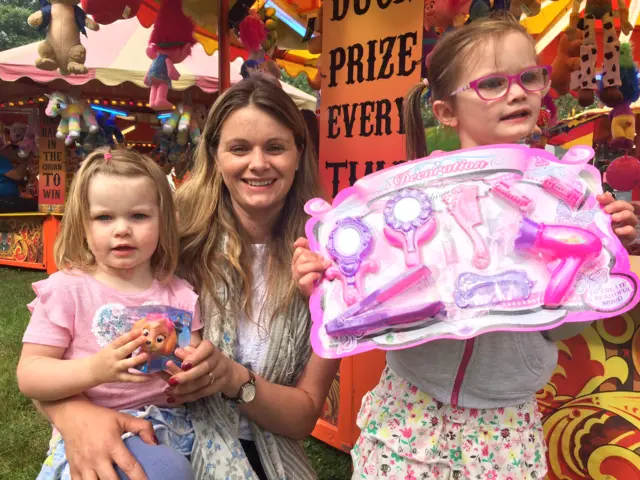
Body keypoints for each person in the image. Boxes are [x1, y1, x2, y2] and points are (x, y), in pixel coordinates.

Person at [292, 13, 639, 480]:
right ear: (445, 112)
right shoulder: (409, 196)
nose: (517, 93)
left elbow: (559, 327)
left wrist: (603, 254)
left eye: (528, 77)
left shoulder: (565, 192)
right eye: (492, 83)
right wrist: (324, 275)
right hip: (409, 412)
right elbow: (367, 287)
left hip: (505, 422)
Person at [31, 77, 341, 480]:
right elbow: (68, 344)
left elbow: (303, 417)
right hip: (160, 441)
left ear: (299, 153)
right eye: (239, 148)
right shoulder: (165, 240)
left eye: (276, 147)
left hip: (271, 455)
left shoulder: (328, 255)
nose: (258, 163)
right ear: (214, 155)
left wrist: (234, 378)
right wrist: (76, 416)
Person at [17, 148, 201, 480]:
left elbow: (193, 367)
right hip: (88, 426)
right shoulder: (66, 291)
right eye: (104, 217)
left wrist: (188, 371)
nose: (122, 230)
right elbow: (30, 375)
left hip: (168, 427)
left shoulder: (181, 295)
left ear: (164, 221)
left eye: (139, 216)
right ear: (82, 225)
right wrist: (95, 369)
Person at [0, 145, 37, 213]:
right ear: (9, 149)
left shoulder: (7, 162)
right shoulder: (2, 160)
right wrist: (24, 161)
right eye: (16, 151)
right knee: (34, 205)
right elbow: (18, 176)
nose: (18, 154)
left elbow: (20, 181)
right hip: (3, 199)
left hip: (8, 198)